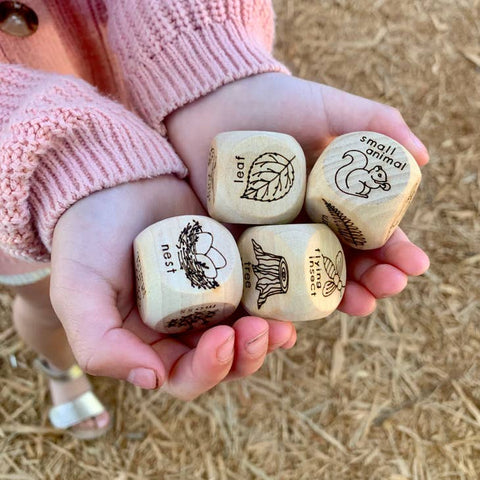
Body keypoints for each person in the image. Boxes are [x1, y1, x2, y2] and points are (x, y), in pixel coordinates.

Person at [0, 0, 429, 439]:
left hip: (143, 86)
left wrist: (202, 54)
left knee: (69, 297)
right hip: (16, 183)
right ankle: (57, 365)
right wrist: (58, 162)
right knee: (47, 304)